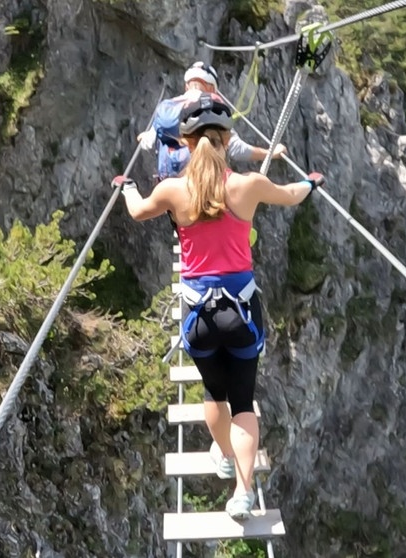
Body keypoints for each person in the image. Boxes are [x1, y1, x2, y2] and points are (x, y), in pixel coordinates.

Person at [113, 92, 325, 521]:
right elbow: (291, 194)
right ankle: (242, 493)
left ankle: (223, 454)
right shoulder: (246, 185)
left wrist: (128, 186)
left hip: (199, 320)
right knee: (244, 403)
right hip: (242, 313)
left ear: (187, 144)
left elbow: (136, 211)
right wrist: (312, 183)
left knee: (216, 393)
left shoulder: (173, 190)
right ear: (227, 140)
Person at [138, 61, 287, 181]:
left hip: (168, 184)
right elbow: (236, 149)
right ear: (211, 87)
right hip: (199, 182)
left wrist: (145, 135)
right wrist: (271, 153)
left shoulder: (166, 107)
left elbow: (147, 142)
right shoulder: (210, 105)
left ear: (186, 85)